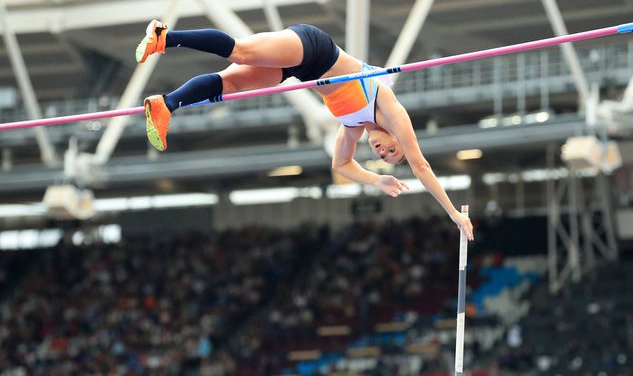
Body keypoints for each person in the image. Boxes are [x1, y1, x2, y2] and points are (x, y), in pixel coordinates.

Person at [137, 21, 474, 239]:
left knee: (232, 85)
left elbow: (340, 165)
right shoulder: (388, 104)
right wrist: (453, 214)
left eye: (382, 156)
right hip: (314, 48)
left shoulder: (352, 128)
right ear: (395, 138)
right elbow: (421, 166)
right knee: (242, 53)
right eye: (391, 149)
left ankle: (166, 105)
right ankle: (165, 37)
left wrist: (376, 179)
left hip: (298, 70)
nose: (382, 151)